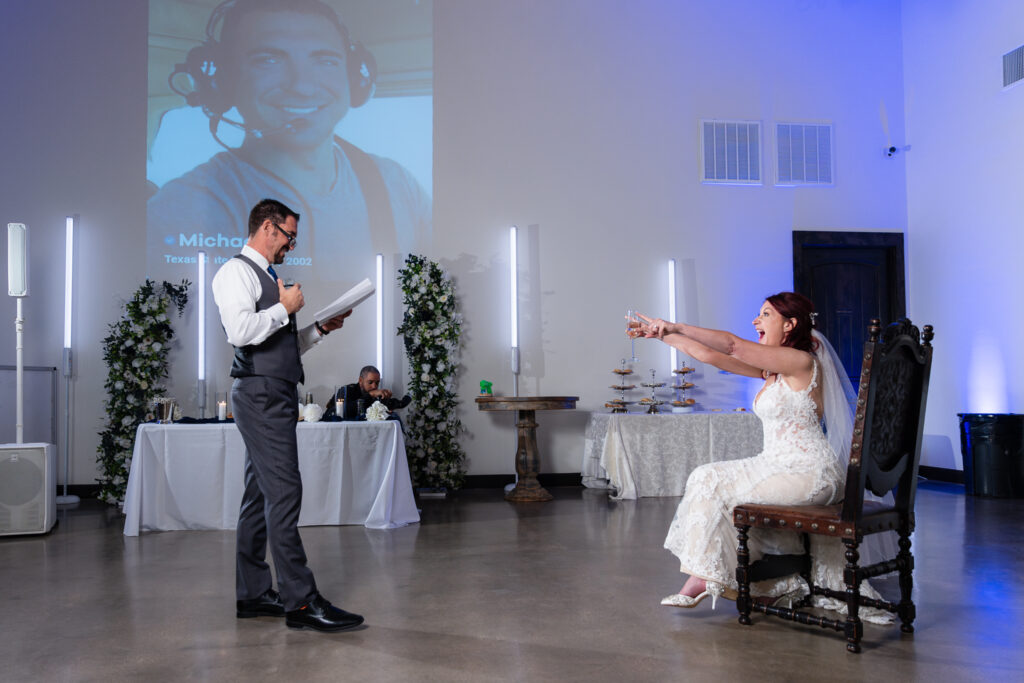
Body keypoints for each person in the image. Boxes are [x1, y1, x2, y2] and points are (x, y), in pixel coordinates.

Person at [631, 292, 891, 622]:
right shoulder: (773, 371)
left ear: (790, 324)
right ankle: (754, 575)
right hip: (776, 465)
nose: (756, 321)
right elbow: (712, 356)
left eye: (765, 314)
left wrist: (676, 324)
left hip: (810, 471)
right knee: (706, 475)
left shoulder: (800, 361)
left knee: (709, 479)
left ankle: (704, 576)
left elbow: (732, 346)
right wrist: (665, 336)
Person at [149, 0, 431, 277]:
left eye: (325, 60)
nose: (302, 86)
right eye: (268, 60)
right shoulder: (180, 209)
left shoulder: (398, 186)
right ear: (225, 81)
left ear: (354, 78)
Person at [212, 197, 363, 632]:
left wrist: (317, 329)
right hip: (260, 395)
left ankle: (254, 594)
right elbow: (241, 333)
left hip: (273, 391)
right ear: (267, 228)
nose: (291, 246)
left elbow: (280, 345)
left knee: (259, 494)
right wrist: (285, 309)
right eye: (289, 236)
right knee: (285, 492)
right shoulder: (235, 272)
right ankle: (300, 602)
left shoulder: (269, 276)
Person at [323, 365, 411, 418]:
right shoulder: (346, 390)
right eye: (370, 382)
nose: (374, 386)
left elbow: (396, 405)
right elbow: (345, 411)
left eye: (377, 383)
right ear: (361, 381)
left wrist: (386, 401)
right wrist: (370, 395)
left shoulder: (376, 395)